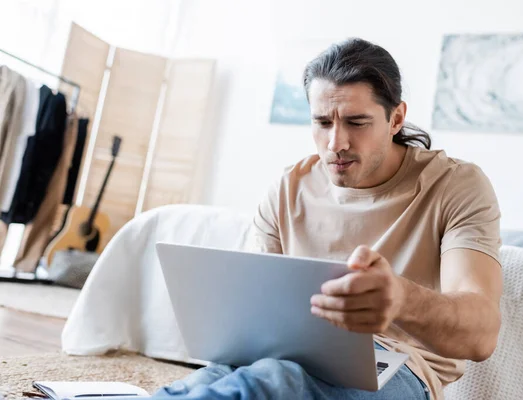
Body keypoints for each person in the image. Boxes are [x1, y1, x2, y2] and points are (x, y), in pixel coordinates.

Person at [153, 38, 502, 400]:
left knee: (271, 384)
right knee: (205, 384)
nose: (336, 142)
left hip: (398, 367)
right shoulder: (288, 188)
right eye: (322, 122)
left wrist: (402, 298)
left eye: (357, 122)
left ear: (396, 118)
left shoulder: (455, 185)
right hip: (287, 350)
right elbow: (251, 311)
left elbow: (483, 334)